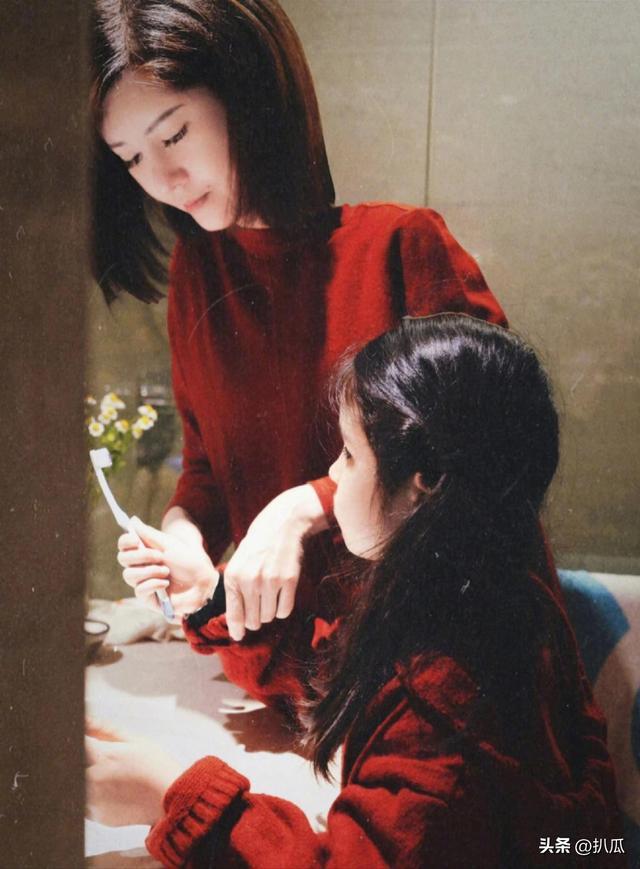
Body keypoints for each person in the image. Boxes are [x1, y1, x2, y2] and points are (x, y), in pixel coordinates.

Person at [86, 315, 623, 867]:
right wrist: (209, 593)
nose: (333, 473)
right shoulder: (497, 597)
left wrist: (170, 797)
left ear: (423, 484)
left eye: (349, 453)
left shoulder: (439, 701)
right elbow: (336, 675)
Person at [91, 0, 509, 645]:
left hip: (426, 655)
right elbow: (209, 469)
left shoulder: (399, 246)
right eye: (131, 158)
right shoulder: (199, 272)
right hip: (290, 658)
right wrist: (182, 536)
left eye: (173, 136)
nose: (164, 179)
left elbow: (484, 453)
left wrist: (304, 507)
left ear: (246, 94)